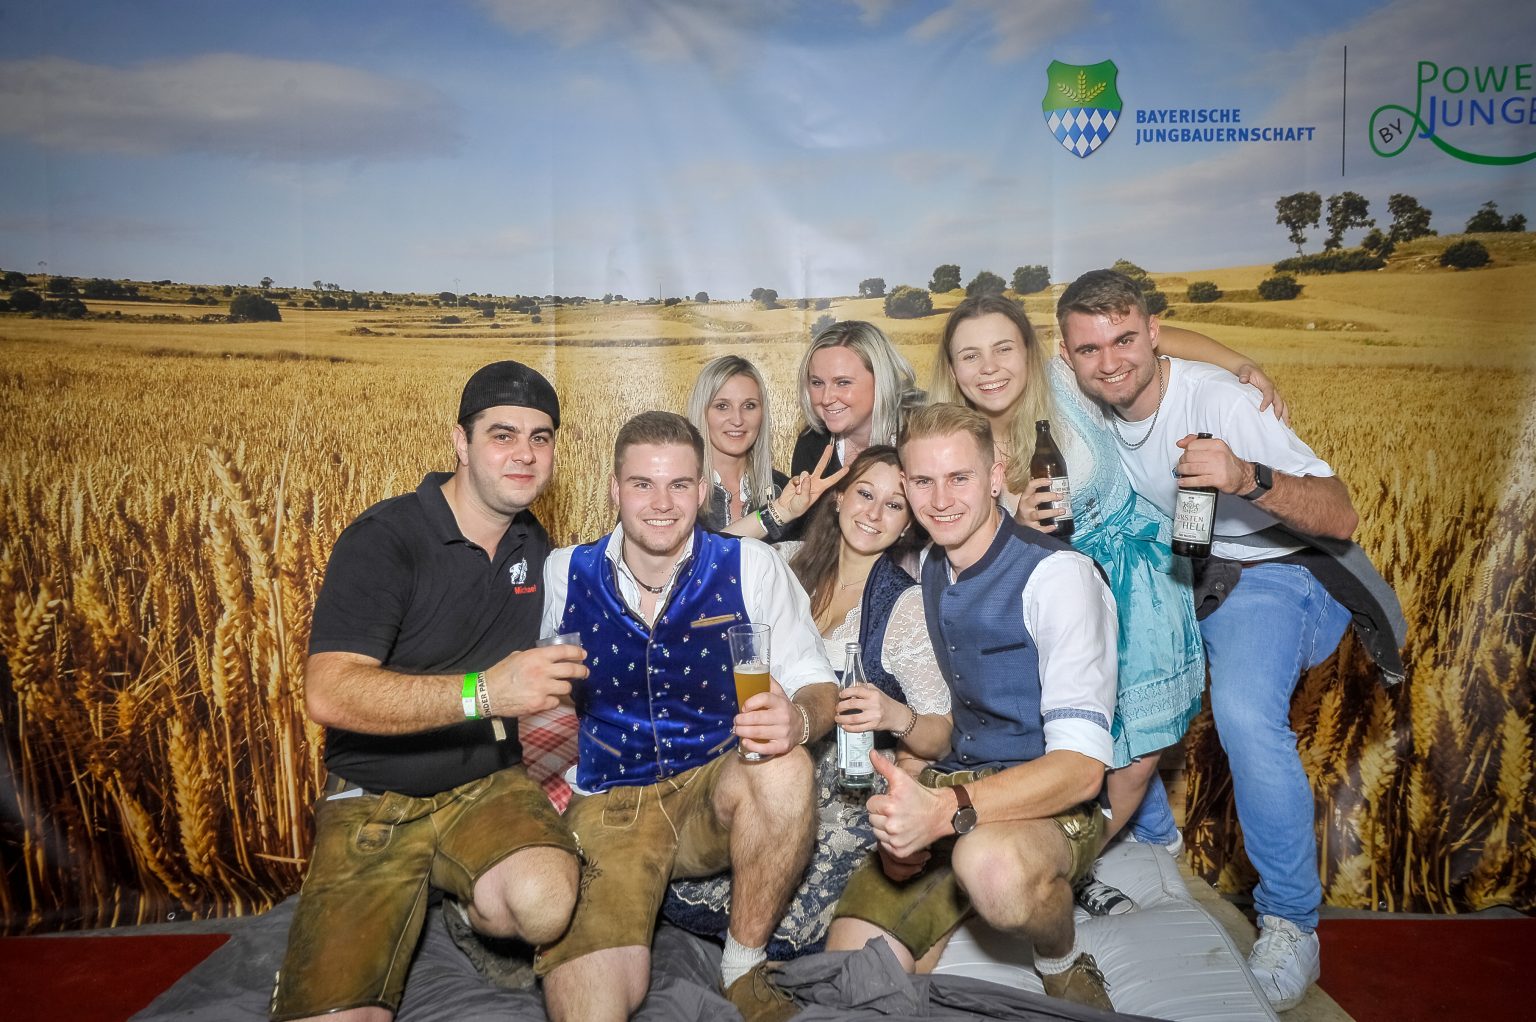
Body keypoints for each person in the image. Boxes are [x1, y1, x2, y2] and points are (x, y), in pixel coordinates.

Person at [1057, 268, 1405, 1011]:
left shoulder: (1219, 402)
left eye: (1126, 339)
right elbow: (1033, 352)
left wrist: (1248, 477)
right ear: (1067, 354)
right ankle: (1151, 837)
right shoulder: (1083, 387)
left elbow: (1341, 515)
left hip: (1275, 571)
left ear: (1153, 334)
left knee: (1246, 716)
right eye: (1090, 349)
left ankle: (1291, 924)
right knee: (1093, 674)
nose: (1110, 362)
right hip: (1184, 566)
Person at [928, 294, 1288, 912]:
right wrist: (1015, 524)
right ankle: (1086, 859)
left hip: (1139, 575)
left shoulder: (1064, 380)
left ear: (1031, 351)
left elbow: (1154, 340)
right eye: (970, 356)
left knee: (1139, 750)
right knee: (1076, 740)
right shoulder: (959, 443)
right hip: (1055, 589)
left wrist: (1239, 363)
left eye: (1003, 348)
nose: (989, 368)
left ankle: (1072, 866)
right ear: (953, 369)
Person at [271, 361, 588, 1022]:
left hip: (486, 784)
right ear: (460, 443)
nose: (525, 454)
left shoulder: (534, 543)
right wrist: (484, 694)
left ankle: (465, 911)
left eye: (541, 437)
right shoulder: (385, 539)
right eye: (502, 435)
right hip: (376, 798)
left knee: (546, 901)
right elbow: (328, 693)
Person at [535, 411, 839, 1022]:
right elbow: (549, 690)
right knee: (588, 1006)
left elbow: (818, 684)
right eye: (642, 484)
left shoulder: (751, 566)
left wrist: (798, 721)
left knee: (786, 766)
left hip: (713, 786)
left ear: (702, 491)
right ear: (615, 489)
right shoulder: (565, 570)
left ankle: (743, 965)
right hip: (611, 801)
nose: (661, 503)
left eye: (678, 484)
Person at [826, 403, 1121, 1012]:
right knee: (850, 978)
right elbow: (943, 714)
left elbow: (1082, 770)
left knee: (991, 868)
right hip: (955, 783)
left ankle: (1060, 959)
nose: (941, 500)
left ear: (995, 476)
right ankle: (948, 902)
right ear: (906, 484)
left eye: (959, 477)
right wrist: (909, 801)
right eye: (923, 481)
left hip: (1047, 800)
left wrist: (944, 810)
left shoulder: (1058, 577)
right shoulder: (932, 567)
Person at [663, 445, 953, 957]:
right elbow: (696, 558)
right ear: (838, 497)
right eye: (864, 494)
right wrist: (778, 515)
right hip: (757, 754)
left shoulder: (904, 604)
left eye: (894, 504)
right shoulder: (787, 559)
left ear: (908, 523)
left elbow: (941, 734)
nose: (873, 513)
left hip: (842, 786)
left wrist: (895, 715)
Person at [687, 354, 846, 542]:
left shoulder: (784, 490)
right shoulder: (680, 490)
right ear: (702, 411)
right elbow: (699, 554)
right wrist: (776, 513)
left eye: (749, 406)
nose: (737, 419)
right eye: (722, 406)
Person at [790, 320, 924, 478]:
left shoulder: (925, 434)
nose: (826, 399)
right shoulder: (811, 444)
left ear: (881, 380)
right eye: (817, 383)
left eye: (843, 383)